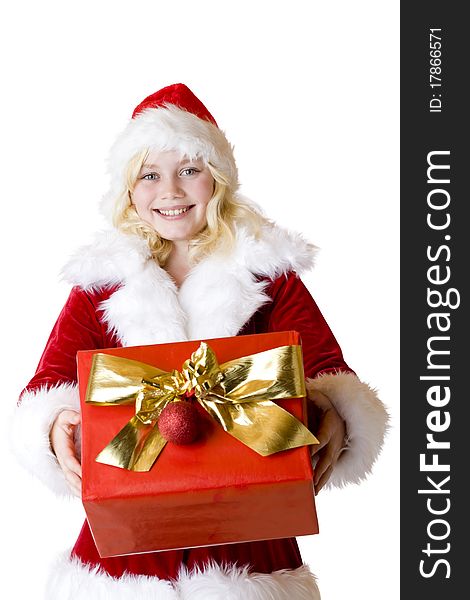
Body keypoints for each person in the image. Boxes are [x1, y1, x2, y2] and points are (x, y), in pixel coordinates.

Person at [12, 83, 388, 599]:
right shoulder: (103, 283)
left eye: (188, 170)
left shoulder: (267, 275)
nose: (170, 191)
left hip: (247, 534)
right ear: (128, 191)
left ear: (218, 179)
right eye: (150, 175)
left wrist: (332, 413)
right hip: (129, 540)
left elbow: (326, 367)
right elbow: (50, 382)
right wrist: (55, 426)